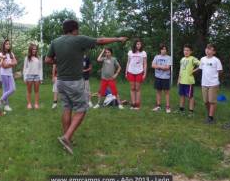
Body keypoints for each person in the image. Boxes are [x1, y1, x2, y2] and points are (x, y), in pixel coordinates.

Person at [45, 19, 127, 155]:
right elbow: (100, 41)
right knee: (82, 109)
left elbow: (47, 60)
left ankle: (67, 139)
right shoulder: (78, 39)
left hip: (60, 82)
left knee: (66, 108)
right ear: (75, 29)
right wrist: (118, 39)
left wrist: (59, 61)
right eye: (78, 29)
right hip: (75, 82)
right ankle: (66, 137)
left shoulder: (56, 41)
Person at [199, 44, 223, 124]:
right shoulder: (202, 59)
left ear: (214, 52)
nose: (208, 51)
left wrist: (215, 79)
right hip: (204, 83)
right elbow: (201, 68)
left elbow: (220, 71)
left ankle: (211, 118)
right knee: (206, 101)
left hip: (213, 83)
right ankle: (210, 114)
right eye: (207, 49)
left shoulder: (216, 60)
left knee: (212, 101)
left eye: (210, 49)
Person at [177, 44, 200, 116]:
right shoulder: (182, 59)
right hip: (182, 81)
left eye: (187, 50)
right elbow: (180, 70)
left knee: (190, 96)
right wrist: (178, 79)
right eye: (184, 50)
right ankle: (181, 109)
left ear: (191, 51)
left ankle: (191, 111)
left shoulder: (193, 58)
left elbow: (201, 64)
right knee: (182, 95)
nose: (186, 52)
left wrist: (194, 70)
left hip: (189, 82)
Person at [125, 39, 147, 110]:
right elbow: (128, 62)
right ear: (135, 45)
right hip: (130, 71)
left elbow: (145, 63)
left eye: (140, 44)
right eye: (137, 44)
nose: (138, 45)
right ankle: (133, 104)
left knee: (137, 88)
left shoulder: (143, 53)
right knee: (132, 88)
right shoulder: (130, 52)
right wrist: (126, 72)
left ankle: (137, 104)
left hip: (139, 72)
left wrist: (145, 73)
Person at [0, 39, 17, 112]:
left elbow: (15, 62)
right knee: (6, 90)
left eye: (9, 44)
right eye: (6, 44)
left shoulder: (11, 53)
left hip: (10, 73)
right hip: (3, 73)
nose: (8, 45)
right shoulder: (1, 54)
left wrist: (9, 64)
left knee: (13, 89)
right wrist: (11, 64)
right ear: (3, 45)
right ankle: (6, 106)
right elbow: (4, 66)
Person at [151, 44, 172, 113]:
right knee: (158, 92)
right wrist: (162, 67)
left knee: (166, 92)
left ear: (166, 50)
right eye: (162, 49)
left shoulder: (169, 57)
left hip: (165, 77)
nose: (164, 50)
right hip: (158, 77)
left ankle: (168, 107)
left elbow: (167, 67)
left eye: (165, 49)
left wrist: (158, 66)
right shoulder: (156, 57)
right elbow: (153, 65)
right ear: (160, 50)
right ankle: (158, 106)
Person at [23, 44, 42, 109]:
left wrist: (41, 78)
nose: (34, 50)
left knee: (36, 91)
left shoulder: (39, 58)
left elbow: (40, 68)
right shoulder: (27, 58)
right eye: (33, 49)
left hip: (37, 76)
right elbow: (25, 68)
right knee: (29, 91)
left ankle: (36, 104)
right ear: (30, 50)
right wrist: (25, 77)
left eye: (35, 49)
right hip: (29, 76)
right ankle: (29, 104)